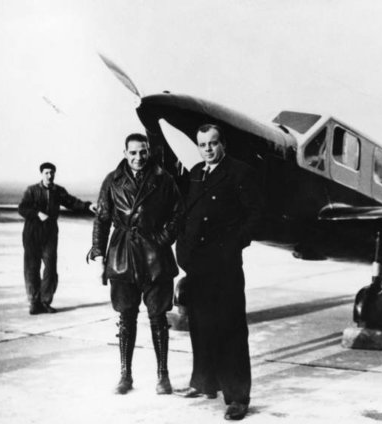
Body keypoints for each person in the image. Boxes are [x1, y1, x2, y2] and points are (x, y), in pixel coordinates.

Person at [176, 124, 263, 421]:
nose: (208, 149)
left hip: (224, 265)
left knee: (230, 329)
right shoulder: (196, 173)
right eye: (202, 145)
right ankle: (204, 383)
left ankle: (237, 397)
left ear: (223, 144)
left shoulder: (240, 172)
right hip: (197, 264)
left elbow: (255, 215)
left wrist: (233, 245)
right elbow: (187, 213)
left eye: (213, 143)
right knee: (200, 326)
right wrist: (183, 250)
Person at [89, 133, 183, 396]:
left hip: (156, 257)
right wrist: (99, 252)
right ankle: (125, 375)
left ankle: (163, 376)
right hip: (122, 255)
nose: (138, 157)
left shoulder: (164, 178)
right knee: (126, 317)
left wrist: (163, 239)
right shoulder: (112, 180)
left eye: (142, 152)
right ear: (125, 153)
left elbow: (179, 213)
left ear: (148, 151)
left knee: (158, 317)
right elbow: (102, 218)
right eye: (133, 153)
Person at [19, 162, 96, 315]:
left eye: (52, 173)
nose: (49, 176)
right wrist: (37, 214)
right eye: (46, 173)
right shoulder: (31, 190)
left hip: (50, 234)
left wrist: (88, 206)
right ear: (42, 174)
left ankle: (45, 302)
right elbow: (22, 208)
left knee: (50, 269)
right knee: (31, 268)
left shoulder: (58, 191)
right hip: (32, 233)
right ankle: (34, 302)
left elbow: (72, 202)